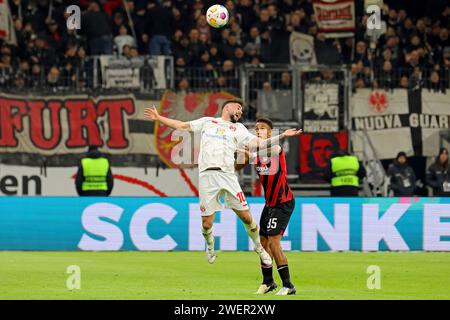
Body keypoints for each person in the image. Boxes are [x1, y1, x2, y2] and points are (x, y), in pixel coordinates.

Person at [143, 101, 301, 268]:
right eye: (238, 108)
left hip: (227, 175)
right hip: (207, 176)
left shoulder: (239, 129)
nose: (240, 111)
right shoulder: (208, 122)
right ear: (227, 107)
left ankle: (259, 248)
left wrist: (283, 135)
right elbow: (182, 125)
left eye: (242, 109)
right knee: (207, 223)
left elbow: (261, 144)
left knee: (246, 217)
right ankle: (210, 246)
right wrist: (159, 117)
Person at [235, 118, 297, 296]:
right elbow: (237, 167)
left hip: (283, 202)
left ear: (270, 133)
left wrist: (251, 152)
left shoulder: (276, 149)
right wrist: (243, 155)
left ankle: (288, 284)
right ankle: (268, 282)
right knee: (262, 243)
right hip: (269, 204)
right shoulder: (256, 154)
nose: (258, 131)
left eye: (262, 128)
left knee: (273, 242)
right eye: (256, 129)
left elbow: (273, 149)